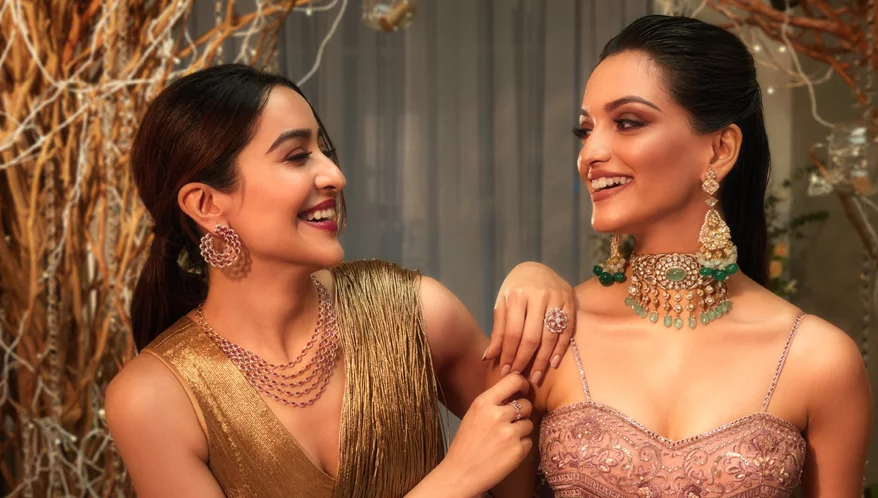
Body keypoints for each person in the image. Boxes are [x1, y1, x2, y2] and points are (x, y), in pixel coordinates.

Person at [105, 64, 577, 497]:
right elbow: (470, 472)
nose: (334, 175)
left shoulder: (415, 312)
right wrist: (452, 482)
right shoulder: (153, 398)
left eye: (324, 152)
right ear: (206, 204)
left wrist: (535, 278)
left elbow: (531, 465)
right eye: (296, 157)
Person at [496, 15, 873, 498]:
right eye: (585, 130)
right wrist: (527, 272)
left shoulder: (818, 359)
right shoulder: (547, 336)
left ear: (719, 149)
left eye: (628, 122)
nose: (590, 152)